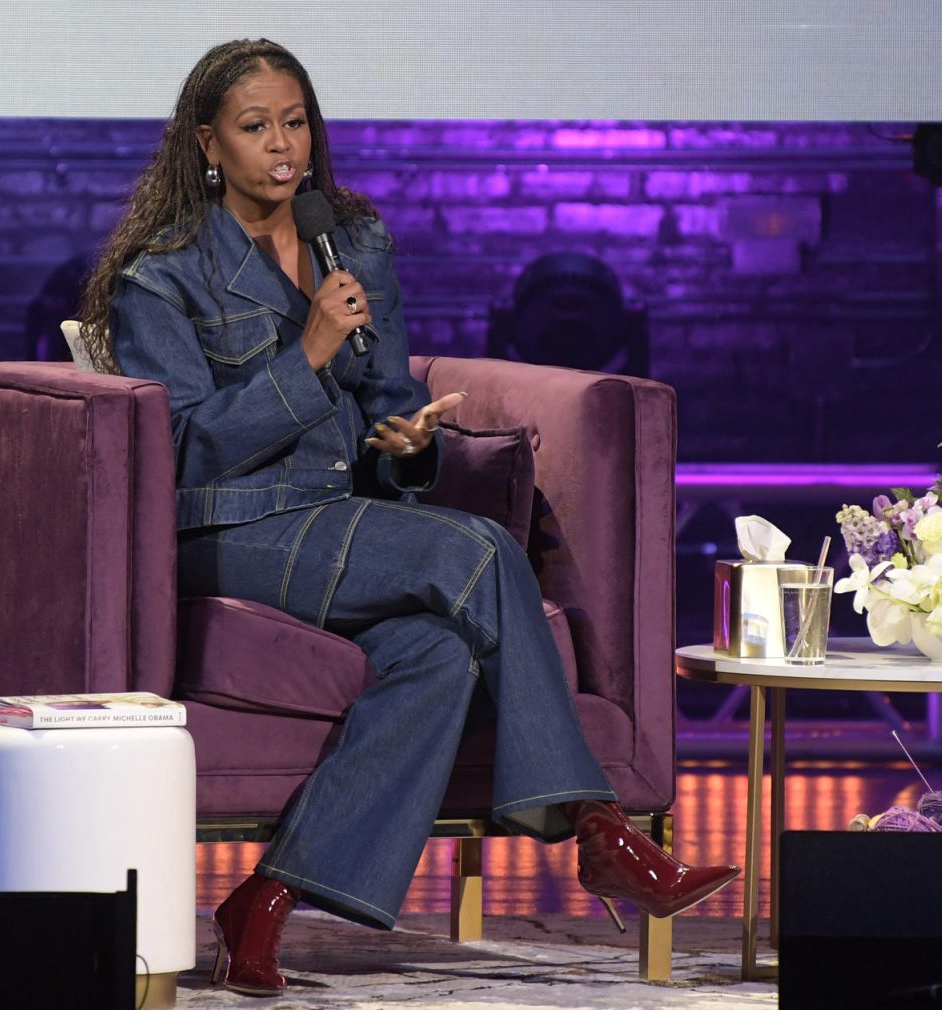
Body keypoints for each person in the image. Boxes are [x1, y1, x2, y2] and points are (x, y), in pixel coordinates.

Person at [77, 38, 738, 997]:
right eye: (256, 127)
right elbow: (180, 452)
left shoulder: (357, 244)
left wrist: (408, 445)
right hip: (232, 532)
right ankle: (599, 832)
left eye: (296, 122)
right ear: (208, 145)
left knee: (438, 654)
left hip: (345, 521)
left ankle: (259, 905)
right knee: (476, 551)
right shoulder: (163, 275)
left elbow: (389, 401)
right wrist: (305, 354)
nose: (284, 146)